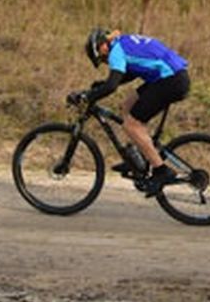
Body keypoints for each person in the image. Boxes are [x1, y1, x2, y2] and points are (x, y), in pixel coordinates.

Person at [72, 28, 191, 197]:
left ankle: (161, 171)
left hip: (170, 80)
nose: (106, 62)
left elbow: (112, 86)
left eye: (102, 59)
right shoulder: (123, 42)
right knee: (127, 105)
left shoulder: (116, 52)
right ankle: (138, 158)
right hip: (171, 77)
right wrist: (101, 86)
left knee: (131, 125)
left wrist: (87, 96)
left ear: (102, 48)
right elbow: (129, 73)